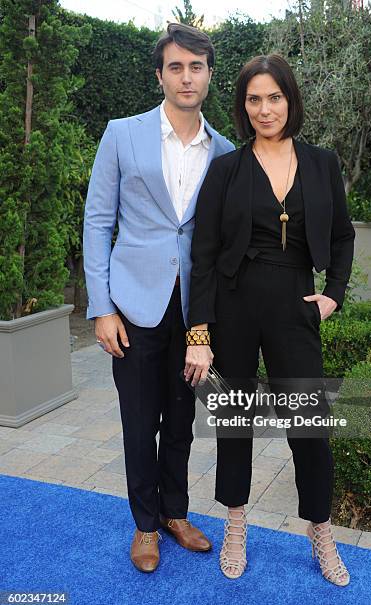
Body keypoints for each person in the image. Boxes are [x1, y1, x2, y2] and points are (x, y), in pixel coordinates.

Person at [184, 54, 355, 583]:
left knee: (310, 427)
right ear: (243, 106)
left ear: (290, 100)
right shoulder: (226, 168)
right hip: (234, 306)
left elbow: (344, 237)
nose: (264, 109)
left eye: (274, 97)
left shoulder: (323, 163)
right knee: (234, 424)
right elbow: (204, 256)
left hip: (295, 306)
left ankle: (320, 532)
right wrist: (199, 334)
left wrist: (334, 295)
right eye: (253, 99)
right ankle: (236, 524)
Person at [83, 23, 234, 573]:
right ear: (160, 74)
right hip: (132, 305)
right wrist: (101, 306)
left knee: (180, 420)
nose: (186, 76)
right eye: (176, 66)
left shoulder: (226, 152)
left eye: (196, 67)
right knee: (138, 418)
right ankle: (145, 525)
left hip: (194, 311)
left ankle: (175, 512)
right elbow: (98, 221)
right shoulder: (121, 134)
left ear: (209, 75)